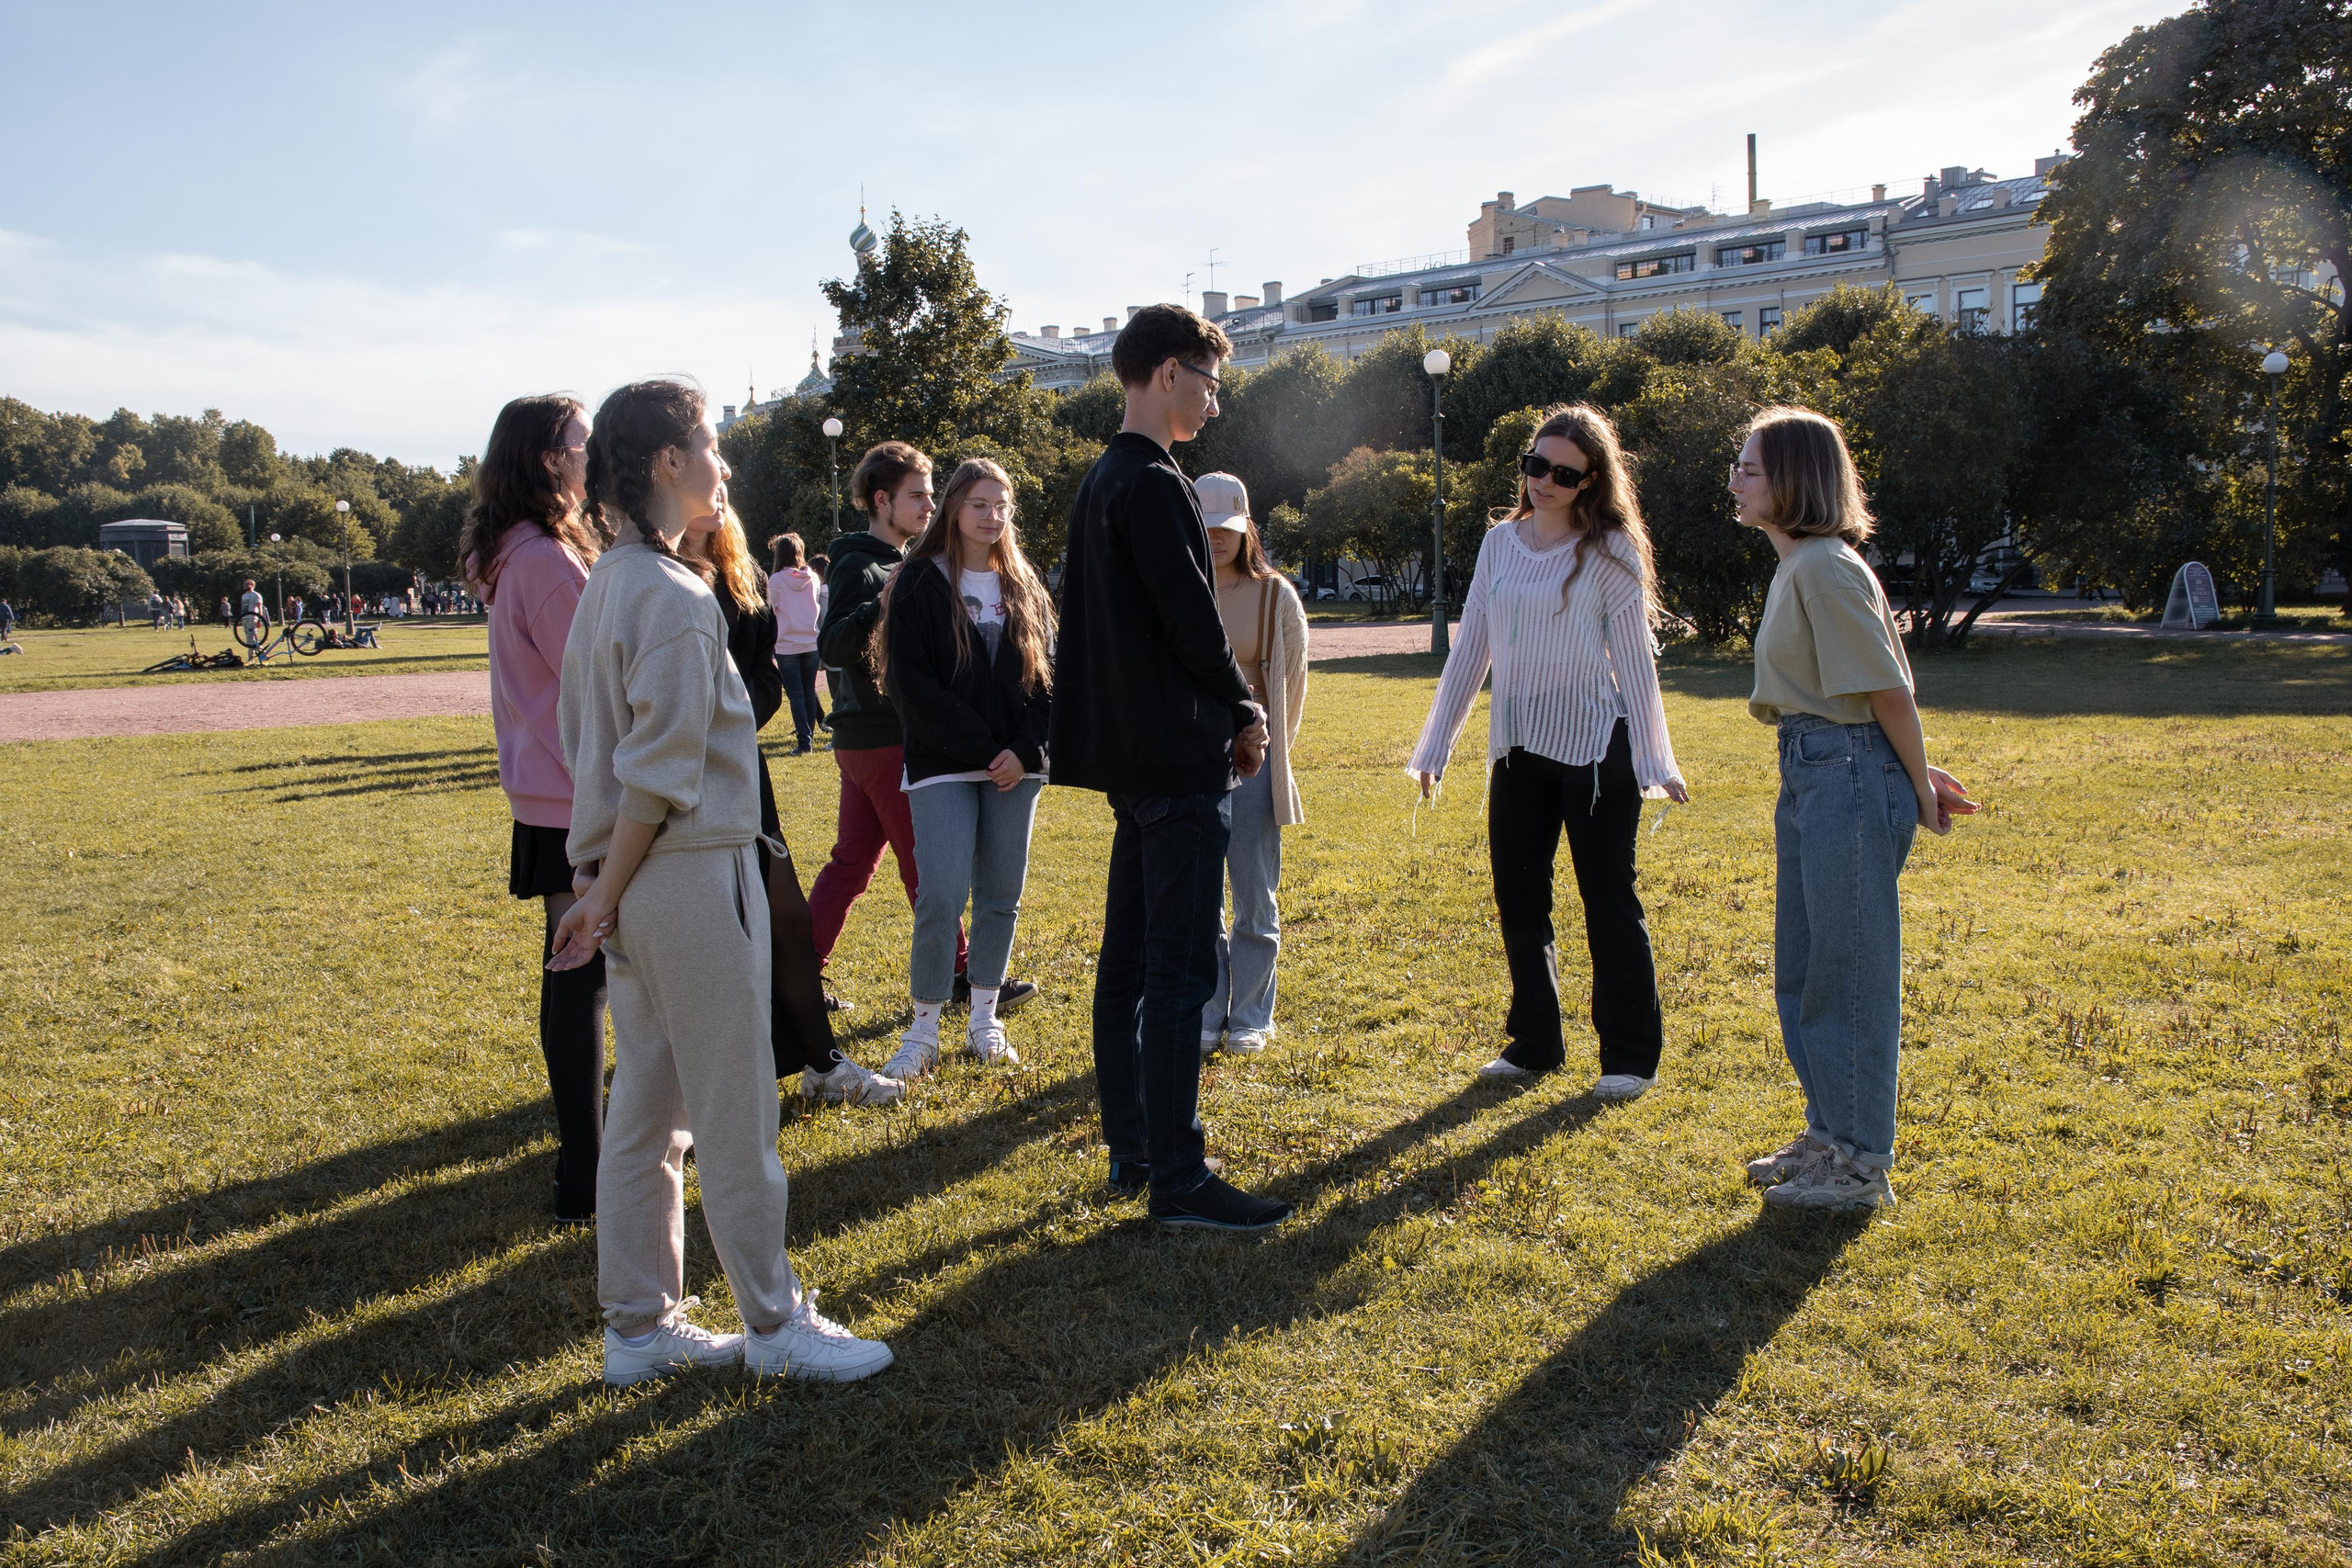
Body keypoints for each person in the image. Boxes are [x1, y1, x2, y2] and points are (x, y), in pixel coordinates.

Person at [548, 377, 892, 1384]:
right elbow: (655, 770)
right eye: (708, 444)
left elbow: (604, 753)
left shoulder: (612, 579)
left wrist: (603, 890)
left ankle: (640, 1328)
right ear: (665, 461)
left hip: (648, 880)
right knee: (732, 1111)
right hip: (686, 876)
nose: (723, 465)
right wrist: (605, 894)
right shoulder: (666, 592)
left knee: (649, 1112)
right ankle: (775, 1326)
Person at [1050, 303, 1290, 1232]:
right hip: (1174, 762)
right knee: (1178, 971)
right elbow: (1191, 622)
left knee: (1130, 966)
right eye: (1207, 381)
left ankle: (1137, 1150)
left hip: (1134, 760)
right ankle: (1177, 1177)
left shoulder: (1105, 480)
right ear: (1162, 373)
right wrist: (1242, 709)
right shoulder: (1153, 483)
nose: (1214, 403)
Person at [1727, 405, 1976, 1211]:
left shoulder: (1826, 566)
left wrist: (1914, 780)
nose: (1735, 477)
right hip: (1817, 766)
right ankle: (1829, 1134)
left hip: (1845, 774)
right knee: (1805, 969)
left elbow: (1888, 692)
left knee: (1850, 968)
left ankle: (1862, 1165)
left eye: (1751, 467)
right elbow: (1870, 696)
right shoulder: (1803, 565)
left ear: (1795, 479)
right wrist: (1908, 768)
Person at [1410, 405, 1690, 1101]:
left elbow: (1635, 662)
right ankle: (1535, 1042)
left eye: (1564, 473)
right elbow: (1470, 647)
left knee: (1606, 897)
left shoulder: (1611, 551)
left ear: (1592, 479)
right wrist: (1435, 743)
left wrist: (1656, 760)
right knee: (1518, 895)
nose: (1544, 482)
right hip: (1517, 745)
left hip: (1598, 750)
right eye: (1535, 466)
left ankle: (1629, 1056)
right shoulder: (1500, 546)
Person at [686, 502, 902, 1109]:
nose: (724, 485)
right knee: (712, 935)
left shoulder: (740, 572)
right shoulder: (648, 576)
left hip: (739, 769)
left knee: (787, 919)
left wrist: (728, 715)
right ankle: (710, 1082)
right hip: (675, 783)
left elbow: (765, 675)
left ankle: (821, 1062)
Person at [814, 445, 1035, 1013]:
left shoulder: (911, 565)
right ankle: (962, 978)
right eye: (918, 494)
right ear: (881, 499)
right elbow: (834, 645)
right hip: (891, 735)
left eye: (933, 493)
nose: (928, 504)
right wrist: (878, 606)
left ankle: (796, 969)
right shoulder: (865, 566)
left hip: (873, 737)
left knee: (852, 863)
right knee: (928, 870)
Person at [459, 392, 609, 1224]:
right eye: (582, 446)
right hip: (573, 794)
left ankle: (586, 1164)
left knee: (577, 972)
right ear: (551, 459)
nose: (592, 458)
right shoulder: (545, 561)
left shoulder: (520, 552)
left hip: (553, 789)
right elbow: (602, 672)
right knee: (579, 975)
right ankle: (585, 1172)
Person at [876, 457, 1054, 1079]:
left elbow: (1049, 684)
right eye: (980, 503)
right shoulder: (920, 582)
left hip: (1016, 768)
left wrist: (1025, 753)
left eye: (1002, 504)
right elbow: (912, 687)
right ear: (953, 507)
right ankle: (922, 1028)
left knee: (1001, 896)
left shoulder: (1024, 585)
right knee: (942, 893)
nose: (992, 515)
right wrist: (985, 750)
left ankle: (985, 1017)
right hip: (945, 764)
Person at [1192, 473, 1309, 1058]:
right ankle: (1210, 1008)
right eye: (1206, 525)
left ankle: (1252, 1015)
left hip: (1252, 763)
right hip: (1190, 763)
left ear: (1246, 530)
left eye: (1228, 528)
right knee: (1200, 894)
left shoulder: (1274, 596)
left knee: (1255, 894)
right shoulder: (1178, 588)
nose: (1217, 538)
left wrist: (1268, 751)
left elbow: (1291, 685)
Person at [768, 534, 823, 755]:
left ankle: (804, 742)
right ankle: (808, 735)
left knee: (797, 695)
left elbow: (772, 610)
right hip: (811, 641)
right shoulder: (814, 578)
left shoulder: (777, 580)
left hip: (787, 644)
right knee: (808, 692)